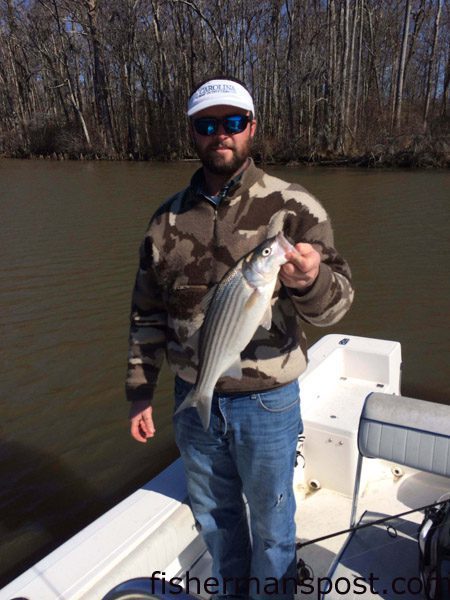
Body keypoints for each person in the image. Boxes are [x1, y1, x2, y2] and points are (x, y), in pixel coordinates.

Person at [126, 76, 354, 600]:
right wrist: (140, 391)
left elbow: (338, 306)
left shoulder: (294, 207)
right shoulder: (165, 221)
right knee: (215, 519)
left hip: (268, 404)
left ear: (251, 128)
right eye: (208, 125)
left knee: (274, 525)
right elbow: (145, 314)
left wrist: (311, 280)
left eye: (232, 122)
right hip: (195, 392)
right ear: (193, 133)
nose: (220, 135)